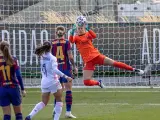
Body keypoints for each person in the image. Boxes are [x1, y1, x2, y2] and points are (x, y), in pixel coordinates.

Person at [69, 16, 144, 88]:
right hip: (88, 61)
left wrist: (88, 28)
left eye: (81, 28)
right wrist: (72, 32)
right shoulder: (76, 38)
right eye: (78, 28)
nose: (79, 29)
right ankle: (99, 83)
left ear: (84, 27)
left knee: (114, 63)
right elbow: (71, 41)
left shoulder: (87, 34)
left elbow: (94, 36)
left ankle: (134, 69)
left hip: (96, 56)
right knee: (86, 82)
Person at [25, 41, 73, 120]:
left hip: (44, 82)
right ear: (51, 47)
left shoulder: (42, 56)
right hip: (53, 81)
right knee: (59, 100)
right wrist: (66, 77)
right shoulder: (52, 58)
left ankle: (30, 116)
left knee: (44, 102)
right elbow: (55, 70)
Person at [51, 26, 78, 118]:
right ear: (64, 33)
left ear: (56, 33)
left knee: (58, 91)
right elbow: (70, 56)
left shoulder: (52, 43)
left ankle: (55, 110)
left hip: (56, 69)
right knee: (68, 90)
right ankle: (68, 112)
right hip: (66, 69)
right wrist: (74, 66)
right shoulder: (67, 43)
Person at [0, 41, 26, 120]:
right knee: (18, 114)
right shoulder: (13, 59)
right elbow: (18, 75)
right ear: (9, 48)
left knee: (6, 115)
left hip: (2, 89)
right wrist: (22, 89)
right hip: (14, 88)